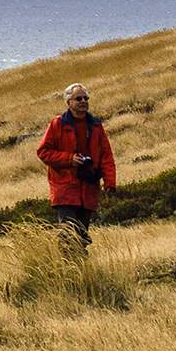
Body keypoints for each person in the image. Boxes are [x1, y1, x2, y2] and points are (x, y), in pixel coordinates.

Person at [37, 83, 117, 248]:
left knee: (81, 236)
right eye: (78, 98)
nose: (83, 101)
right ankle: (68, 269)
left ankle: (79, 269)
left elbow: (106, 156)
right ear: (68, 102)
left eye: (85, 98)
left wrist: (110, 183)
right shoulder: (57, 124)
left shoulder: (95, 125)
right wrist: (69, 159)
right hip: (65, 189)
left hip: (88, 188)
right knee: (68, 234)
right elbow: (43, 152)